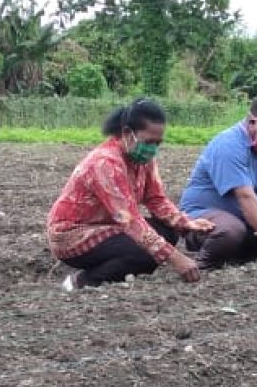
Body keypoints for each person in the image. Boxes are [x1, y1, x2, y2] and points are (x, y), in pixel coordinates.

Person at [47, 99, 214, 290]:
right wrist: (176, 258)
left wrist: (185, 222)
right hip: (72, 234)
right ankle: (85, 280)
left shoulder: (142, 158)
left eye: (157, 143)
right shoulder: (105, 163)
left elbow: (155, 198)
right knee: (145, 253)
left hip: (107, 226)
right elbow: (130, 220)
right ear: (127, 133)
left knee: (168, 232)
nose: (152, 149)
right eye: (149, 142)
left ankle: (108, 265)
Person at [179, 92, 257, 269]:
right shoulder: (228, 145)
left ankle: (239, 254)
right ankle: (204, 259)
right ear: (252, 121)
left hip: (246, 218)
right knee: (230, 231)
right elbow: (245, 196)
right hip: (204, 214)